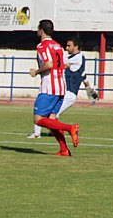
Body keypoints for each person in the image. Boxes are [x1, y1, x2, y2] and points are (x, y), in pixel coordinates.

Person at [28, 36, 97, 138]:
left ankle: (40, 133)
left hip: (68, 93)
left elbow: (62, 63)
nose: (66, 48)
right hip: (66, 92)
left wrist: (41, 69)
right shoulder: (78, 61)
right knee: (51, 115)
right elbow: (83, 75)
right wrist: (88, 88)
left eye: (69, 46)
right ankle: (56, 137)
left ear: (76, 47)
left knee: (45, 114)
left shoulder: (78, 57)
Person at [28, 20, 79, 156]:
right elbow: (66, 64)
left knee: (38, 119)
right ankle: (63, 150)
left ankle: (70, 128)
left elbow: (49, 64)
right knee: (52, 120)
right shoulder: (58, 46)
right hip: (61, 86)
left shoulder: (42, 46)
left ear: (41, 31)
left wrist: (36, 72)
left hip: (49, 87)